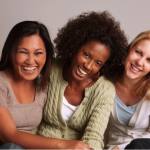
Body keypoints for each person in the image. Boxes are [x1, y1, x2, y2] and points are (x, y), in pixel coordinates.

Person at [37, 11, 128, 150]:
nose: (88, 66)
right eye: (86, 54)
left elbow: (94, 136)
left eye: (98, 63)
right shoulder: (50, 68)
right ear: (75, 46)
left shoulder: (104, 90)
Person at [0, 21, 90, 150]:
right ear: (11, 52)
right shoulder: (1, 83)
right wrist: (63, 144)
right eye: (23, 52)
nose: (31, 61)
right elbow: (9, 136)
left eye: (38, 53)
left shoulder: (43, 83)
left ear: (47, 55)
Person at [107, 30, 150, 150]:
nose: (140, 62)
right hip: (113, 148)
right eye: (138, 52)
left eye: (149, 60)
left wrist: (121, 148)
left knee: (137, 146)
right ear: (129, 49)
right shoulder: (106, 84)